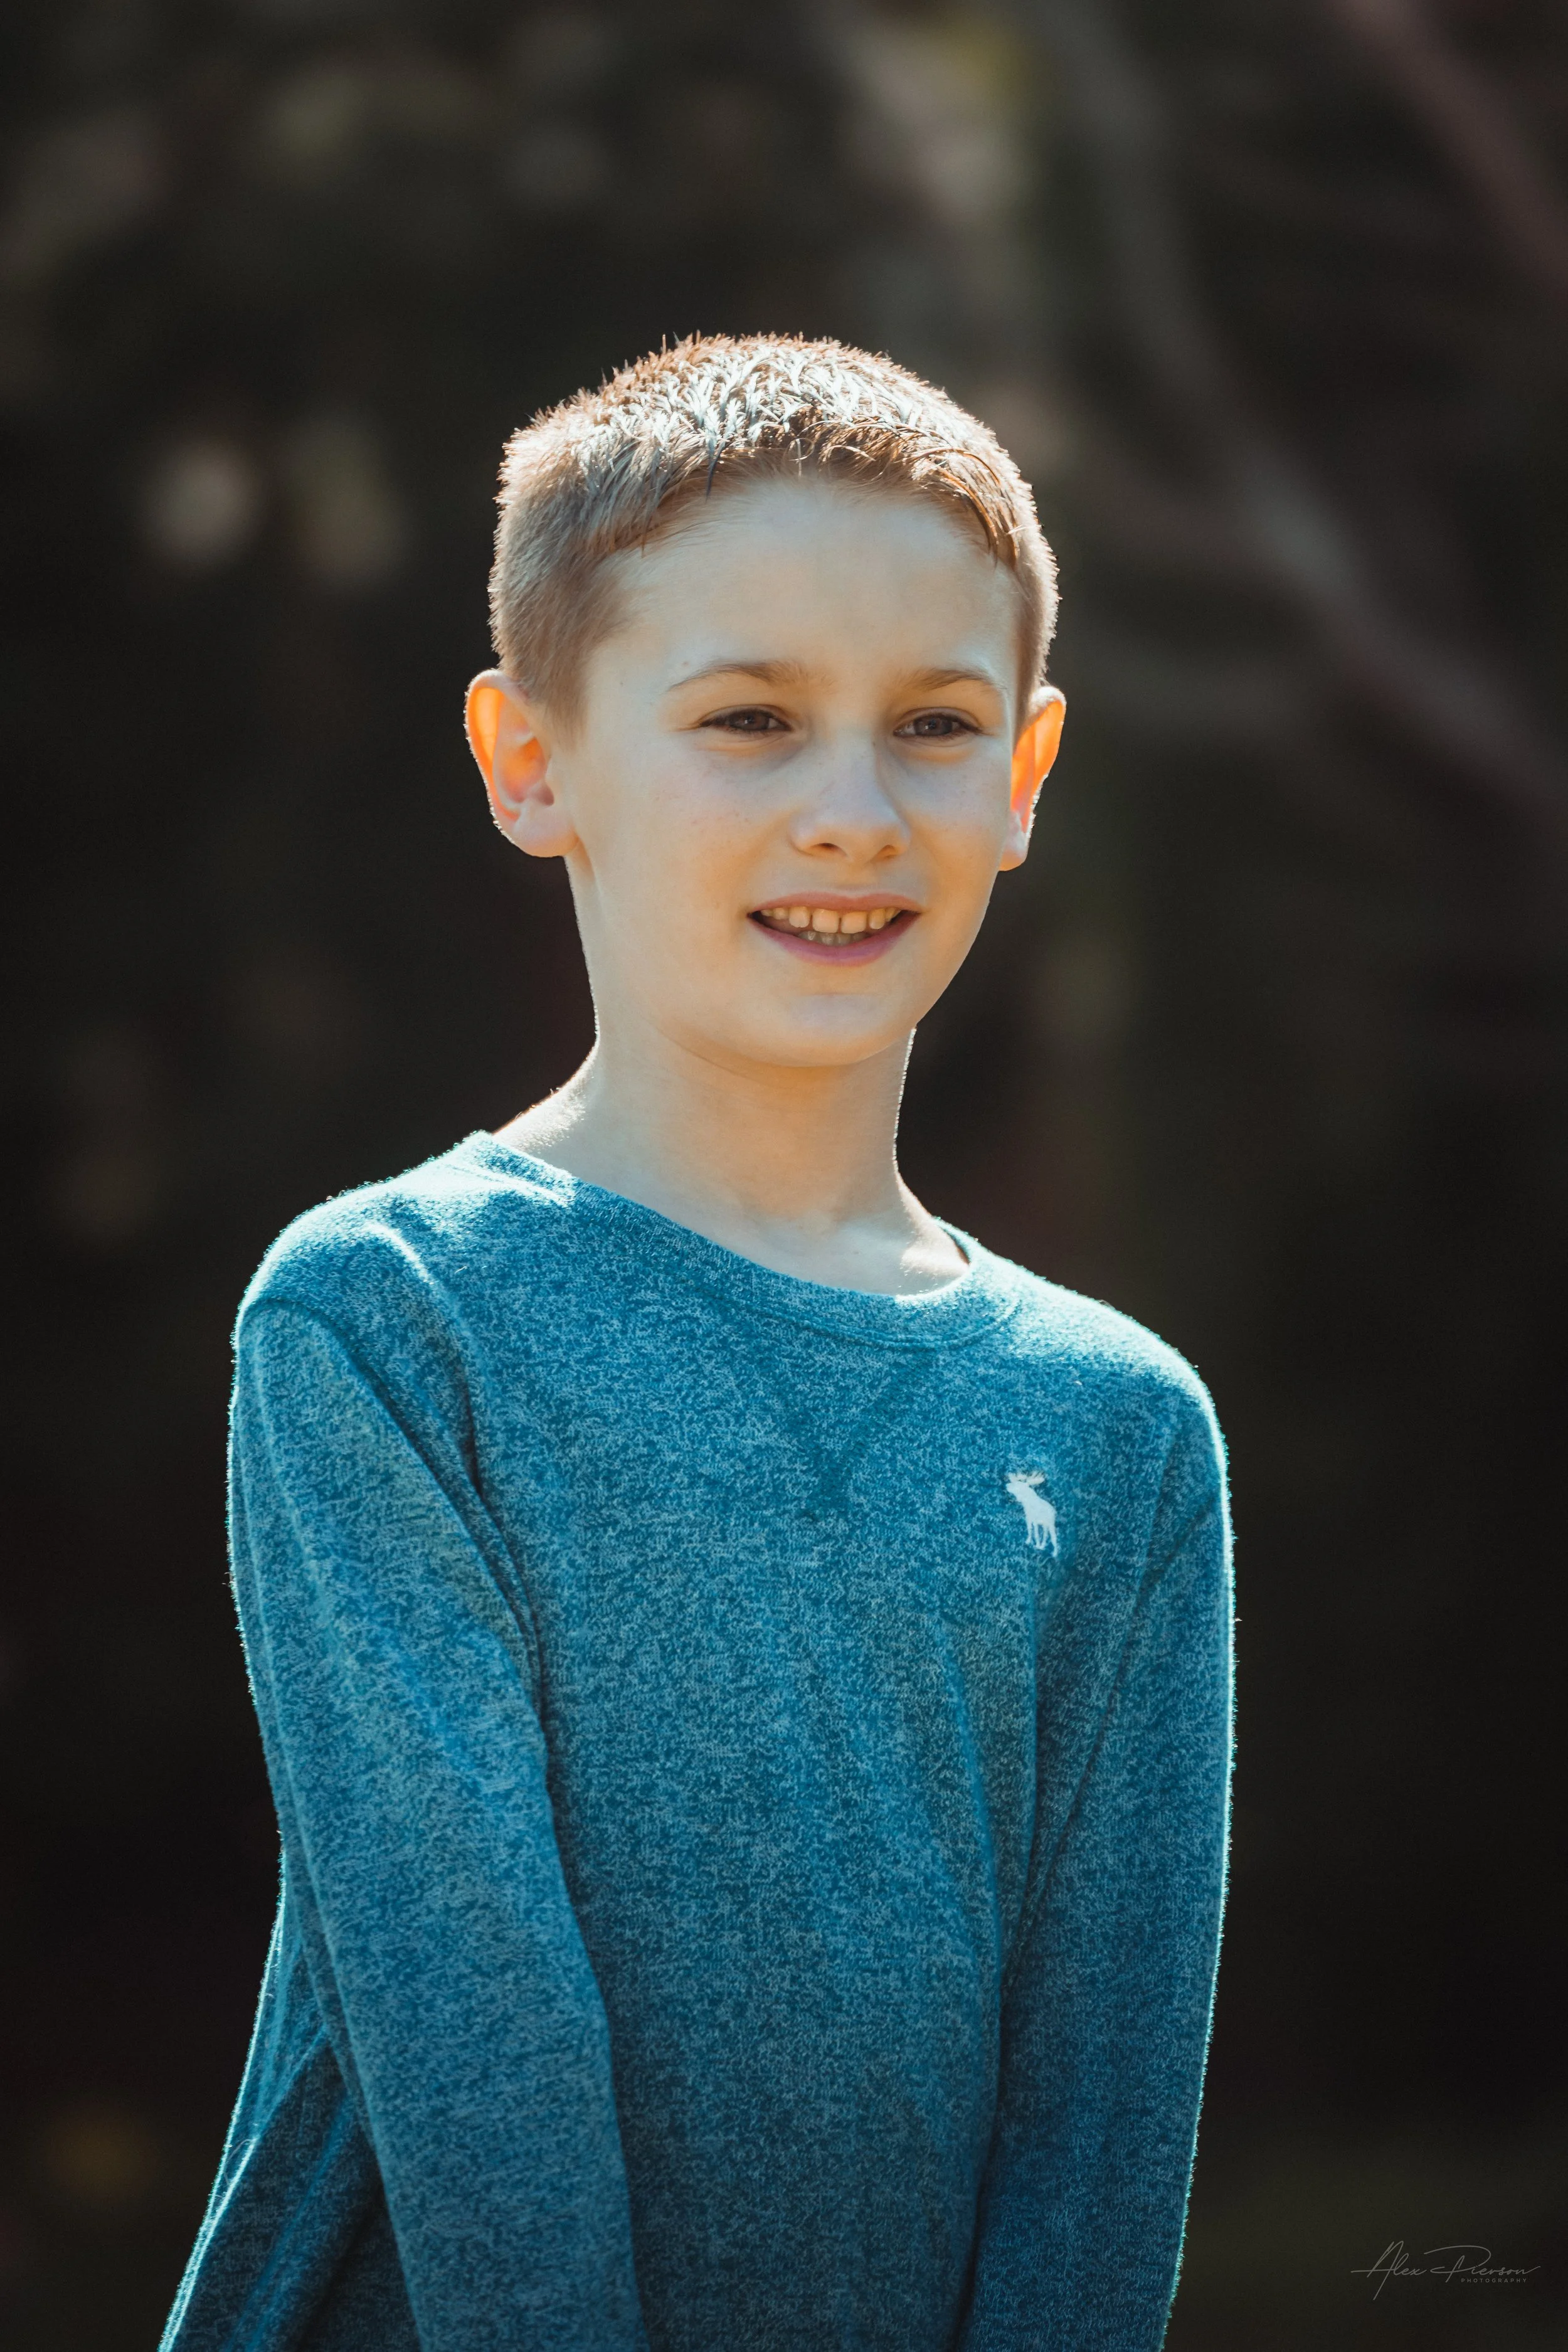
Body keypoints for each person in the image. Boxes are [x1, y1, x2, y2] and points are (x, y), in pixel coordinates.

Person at [161, 335, 1234, 2352]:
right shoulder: (389, 1322)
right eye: (748, 717)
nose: (850, 808)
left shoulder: (1121, 1433)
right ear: (529, 757)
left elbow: (1098, 2138)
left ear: (1022, 780)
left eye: (930, 722)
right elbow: (486, 2071)